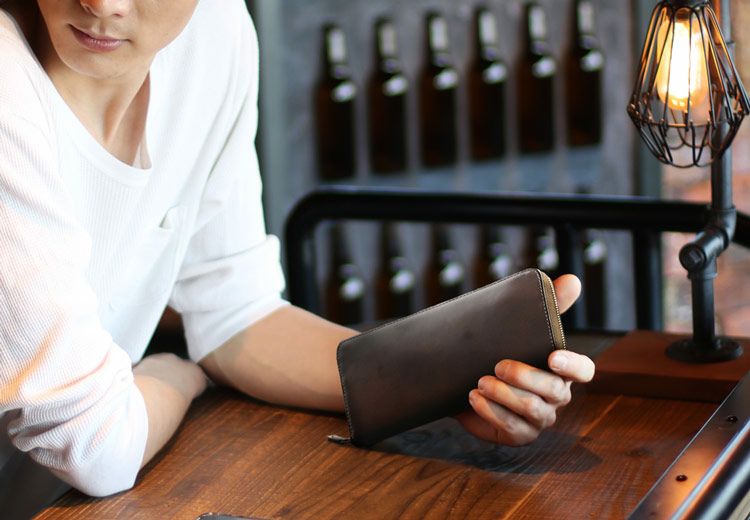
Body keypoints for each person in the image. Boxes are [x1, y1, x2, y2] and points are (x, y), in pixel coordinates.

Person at [0, 0, 596, 515]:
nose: (102, 3)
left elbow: (236, 315)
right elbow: (97, 445)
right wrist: (172, 374)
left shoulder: (214, 35)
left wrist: (443, 384)